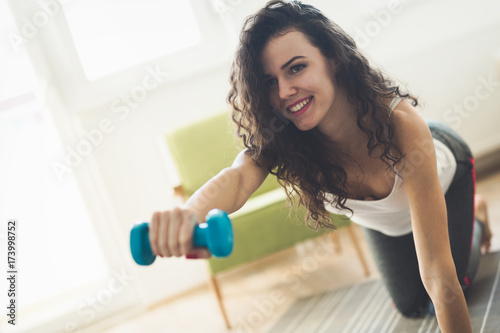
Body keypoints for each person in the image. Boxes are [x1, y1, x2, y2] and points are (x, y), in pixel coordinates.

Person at [148, 1, 493, 331]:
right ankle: (469, 219)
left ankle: (472, 219)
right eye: (269, 82)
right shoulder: (283, 137)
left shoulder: (399, 123)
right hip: (383, 218)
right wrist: (189, 214)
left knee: (446, 287)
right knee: (411, 306)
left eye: (296, 68)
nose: (284, 91)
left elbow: (436, 272)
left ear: (333, 59)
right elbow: (238, 180)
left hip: (446, 177)